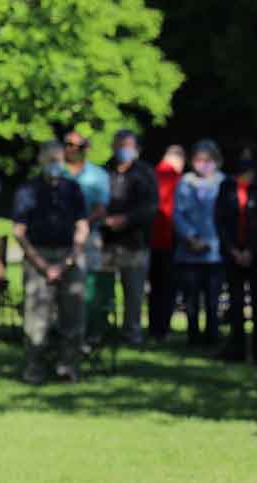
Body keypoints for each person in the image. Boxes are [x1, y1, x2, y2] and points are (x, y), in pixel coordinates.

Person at [12, 141, 89, 384]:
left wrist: (69, 259)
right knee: (36, 318)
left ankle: (67, 367)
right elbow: (19, 230)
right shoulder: (27, 191)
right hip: (38, 258)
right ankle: (34, 368)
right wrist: (43, 266)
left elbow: (82, 224)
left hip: (69, 257)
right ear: (41, 162)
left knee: (73, 315)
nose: (55, 165)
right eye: (50, 160)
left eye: (58, 160)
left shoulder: (73, 189)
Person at [215, 146, 257, 362]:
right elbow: (220, 220)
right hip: (233, 253)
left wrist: (253, 250)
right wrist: (232, 249)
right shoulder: (227, 187)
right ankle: (237, 346)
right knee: (236, 301)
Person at [101, 129, 159, 345]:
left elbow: (150, 207)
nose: (123, 150)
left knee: (133, 293)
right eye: (120, 145)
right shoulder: (104, 172)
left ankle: (131, 333)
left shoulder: (145, 173)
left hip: (135, 243)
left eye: (128, 146)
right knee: (103, 290)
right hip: (106, 242)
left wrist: (126, 220)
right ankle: (102, 329)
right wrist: (106, 221)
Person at [174, 140, 225, 346]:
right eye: (198, 159)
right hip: (189, 250)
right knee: (191, 299)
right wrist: (191, 237)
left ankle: (213, 334)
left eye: (208, 160)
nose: (203, 164)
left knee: (213, 299)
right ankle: (193, 336)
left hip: (215, 251)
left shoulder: (223, 182)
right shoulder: (186, 182)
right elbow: (178, 214)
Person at [63, 131, 112, 342]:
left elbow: (101, 209)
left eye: (78, 146)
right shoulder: (57, 172)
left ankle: (90, 333)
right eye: (69, 145)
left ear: (86, 148)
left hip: (89, 238)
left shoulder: (98, 176)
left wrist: (82, 224)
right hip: (60, 239)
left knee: (89, 287)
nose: (73, 149)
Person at [148, 145, 185, 342]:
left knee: (154, 287)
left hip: (149, 239)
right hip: (170, 239)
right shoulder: (179, 180)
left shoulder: (151, 175)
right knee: (168, 287)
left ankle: (153, 327)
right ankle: (163, 329)